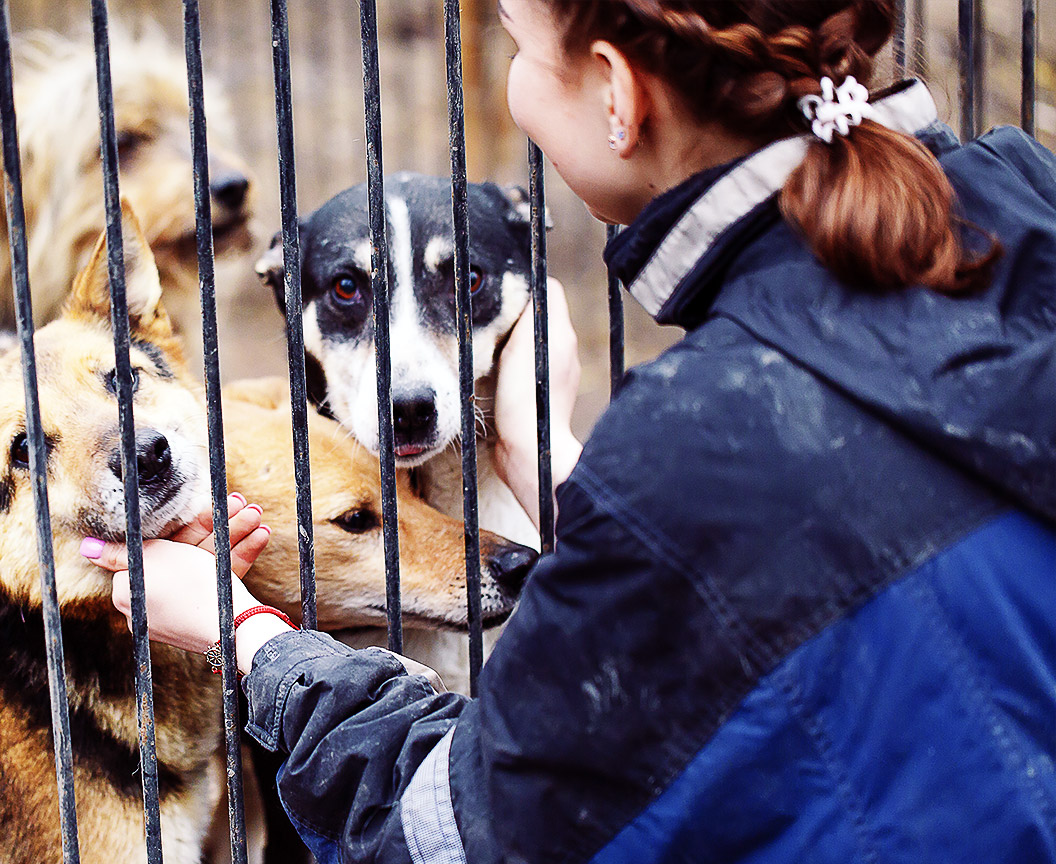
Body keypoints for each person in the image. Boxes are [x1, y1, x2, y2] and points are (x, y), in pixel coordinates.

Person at [86, 1, 1056, 861]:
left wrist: (243, 632)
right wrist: (540, 451)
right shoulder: (1022, 198)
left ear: (616, 94)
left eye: (516, 44)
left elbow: (454, 832)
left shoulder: (694, 440)